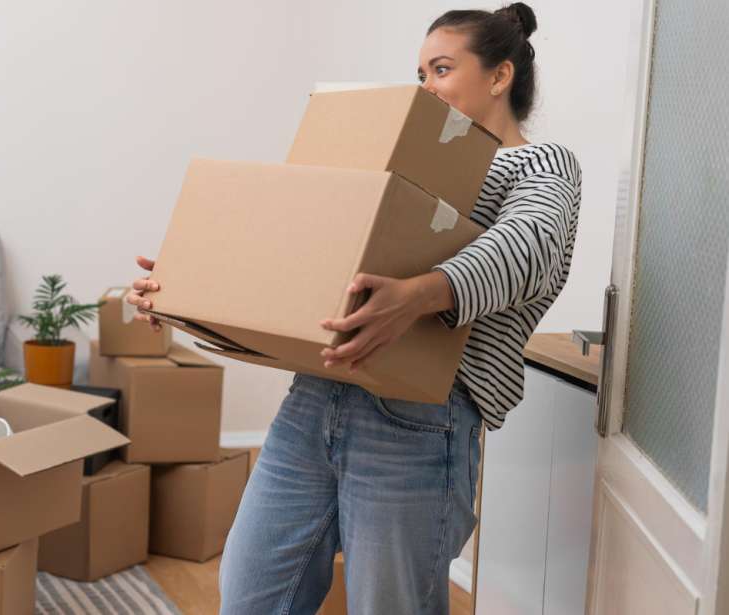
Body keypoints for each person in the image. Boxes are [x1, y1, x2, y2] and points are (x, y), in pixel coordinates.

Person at [126, 3, 582, 614]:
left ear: (499, 76)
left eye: (441, 70)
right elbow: (311, 250)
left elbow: (526, 247)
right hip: (315, 396)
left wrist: (419, 295)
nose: (425, 88)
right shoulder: (398, 160)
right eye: (420, 74)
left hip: (421, 418)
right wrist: (189, 288)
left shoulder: (539, 164)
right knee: (250, 593)